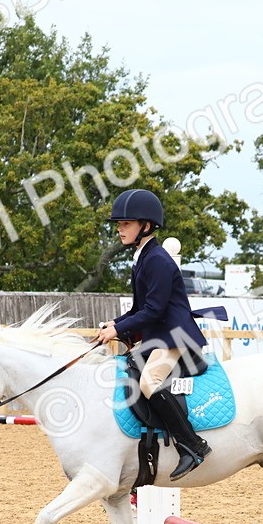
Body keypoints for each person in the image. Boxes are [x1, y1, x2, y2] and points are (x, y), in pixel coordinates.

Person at [94, 189, 211, 480]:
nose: (120, 229)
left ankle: (193, 446)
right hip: (159, 334)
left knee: (148, 383)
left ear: (145, 226)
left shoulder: (157, 259)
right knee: (126, 369)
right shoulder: (143, 256)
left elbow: (155, 310)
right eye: (119, 225)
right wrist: (115, 323)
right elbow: (139, 307)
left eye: (126, 224)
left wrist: (119, 329)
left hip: (174, 336)